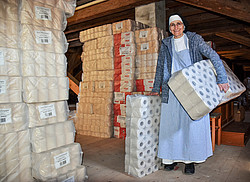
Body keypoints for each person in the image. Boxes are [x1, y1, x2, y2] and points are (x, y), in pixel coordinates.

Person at [150, 14, 229, 174]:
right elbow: (160, 67)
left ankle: (190, 161)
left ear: (184, 26)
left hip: (193, 89)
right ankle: (169, 159)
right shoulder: (166, 44)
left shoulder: (194, 40)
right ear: (170, 28)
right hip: (172, 88)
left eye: (178, 24)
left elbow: (213, 55)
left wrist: (222, 77)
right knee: (171, 126)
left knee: (191, 126)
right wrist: (155, 87)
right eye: (172, 25)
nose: (176, 27)